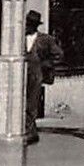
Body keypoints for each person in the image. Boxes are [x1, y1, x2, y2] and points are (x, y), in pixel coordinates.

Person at [23, 10, 62, 145]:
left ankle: (29, 132)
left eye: (30, 24)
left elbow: (58, 55)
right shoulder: (20, 38)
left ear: (35, 25)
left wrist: (45, 64)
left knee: (31, 103)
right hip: (20, 74)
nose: (27, 26)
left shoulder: (45, 39)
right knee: (21, 103)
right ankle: (31, 132)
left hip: (36, 74)